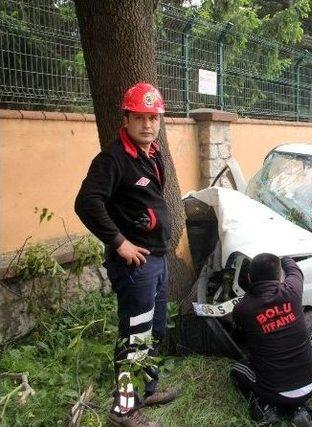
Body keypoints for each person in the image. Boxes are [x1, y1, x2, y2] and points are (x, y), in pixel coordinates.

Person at [75, 82, 176, 427]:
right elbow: (87, 202)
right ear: (127, 118)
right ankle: (124, 409)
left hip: (158, 259)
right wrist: (120, 242)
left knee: (154, 329)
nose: (147, 124)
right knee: (134, 335)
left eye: (153, 118)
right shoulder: (113, 158)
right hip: (136, 265)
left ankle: (147, 388)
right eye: (139, 118)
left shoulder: (153, 152)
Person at [231, 254, 312, 426]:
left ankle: (265, 407)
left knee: (238, 368)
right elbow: (295, 270)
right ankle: (299, 409)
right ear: (279, 277)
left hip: (275, 391)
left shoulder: (244, 308)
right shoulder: (292, 291)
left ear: (248, 278)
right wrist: (284, 258)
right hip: (309, 383)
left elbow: (239, 334)